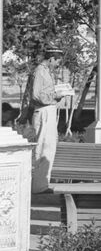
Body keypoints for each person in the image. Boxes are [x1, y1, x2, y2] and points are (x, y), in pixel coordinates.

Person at [29, 44, 63, 193]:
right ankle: (38, 186)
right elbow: (36, 95)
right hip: (43, 112)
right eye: (57, 61)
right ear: (51, 59)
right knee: (42, 147)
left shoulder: (46, 72)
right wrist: (54, 96)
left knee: (49, 148)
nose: (58, 64)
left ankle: (42, 184)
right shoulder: (40, 72)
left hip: (48, 111)